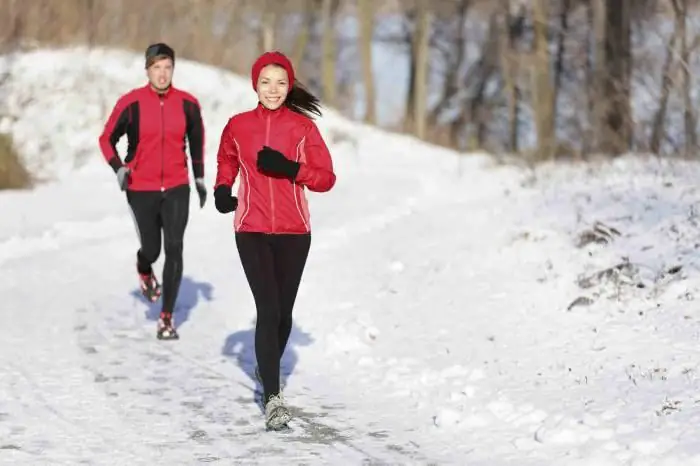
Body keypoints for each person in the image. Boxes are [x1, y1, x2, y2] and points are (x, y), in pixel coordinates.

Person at [213, 51, 336, 430]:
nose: (273, 89)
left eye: (281, 83)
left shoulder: (302, 129)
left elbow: (326, 178)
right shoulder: (238, 125)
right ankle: (272, 396)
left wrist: (289, 169)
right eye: (266, 81)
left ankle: (266, 367)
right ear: (255, 84)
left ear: (289, 86)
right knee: (267, 310)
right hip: (250, 228)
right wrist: (222, 189)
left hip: (295, 233)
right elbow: (227, 160)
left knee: (283, 314)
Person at [98, 43, 207, 341]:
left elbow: (197, 142)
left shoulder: (188, 104)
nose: (162, 73)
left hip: (176, 186)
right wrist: (119, 168)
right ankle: (144, 266)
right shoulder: (131, 103)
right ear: (147, 70)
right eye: (156, 67)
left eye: (167, 67)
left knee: (174, 247)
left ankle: (166, 317)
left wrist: (198, 178)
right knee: (153, 249)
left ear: (173, 69)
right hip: (141, 187)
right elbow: (106, 139)